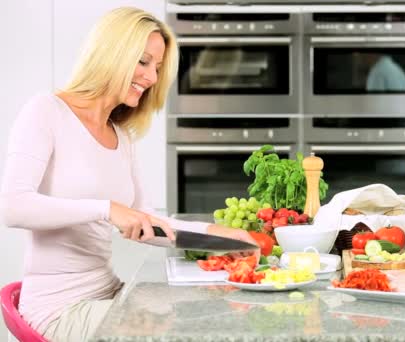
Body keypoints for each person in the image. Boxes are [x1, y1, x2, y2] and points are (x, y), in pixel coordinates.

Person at [0, 7, 258, 342]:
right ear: (111, 53)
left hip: (110, 292)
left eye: (157, 67)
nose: (151, 78)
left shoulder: (121, 136)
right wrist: (107, 208)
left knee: (211, 310)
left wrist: (218, 236)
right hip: (59, 310)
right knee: (186, 332)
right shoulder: (46, 111)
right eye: (143, 61)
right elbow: (12, 207)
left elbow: (148, 224)